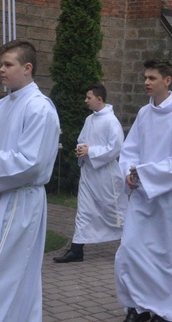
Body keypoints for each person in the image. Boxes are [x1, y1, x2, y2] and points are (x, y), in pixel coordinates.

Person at [0, 40, 60, 320]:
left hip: (21, 202)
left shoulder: (39, 108)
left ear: (27, 68)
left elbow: (32, 163)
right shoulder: (2, 106)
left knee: (0, 277)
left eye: (8, 65)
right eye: (1, 64)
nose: (1, 70)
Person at [115, 60, 172, 322]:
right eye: (145, 78)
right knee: (131, 251)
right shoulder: (144, 113)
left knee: (168, 257)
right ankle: (137, 307)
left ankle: (168, 310)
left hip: (168, 198)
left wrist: (143, 173)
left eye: (152, 78)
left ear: (168, 80)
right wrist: (129, 172)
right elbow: (130, 149)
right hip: (141, 196)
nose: (146, 82)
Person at [54, 83, 126, 262]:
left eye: (89, 97)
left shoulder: (111, 121)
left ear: (99, 99)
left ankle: (131, 245)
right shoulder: (89, 119)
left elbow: (115, 148)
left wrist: (90, 152)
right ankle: (76, 249)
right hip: (88, 173)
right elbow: (82, 140)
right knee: (84, 210)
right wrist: (81, 149)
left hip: (106, 176)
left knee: (113, 212)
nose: (85, 101)